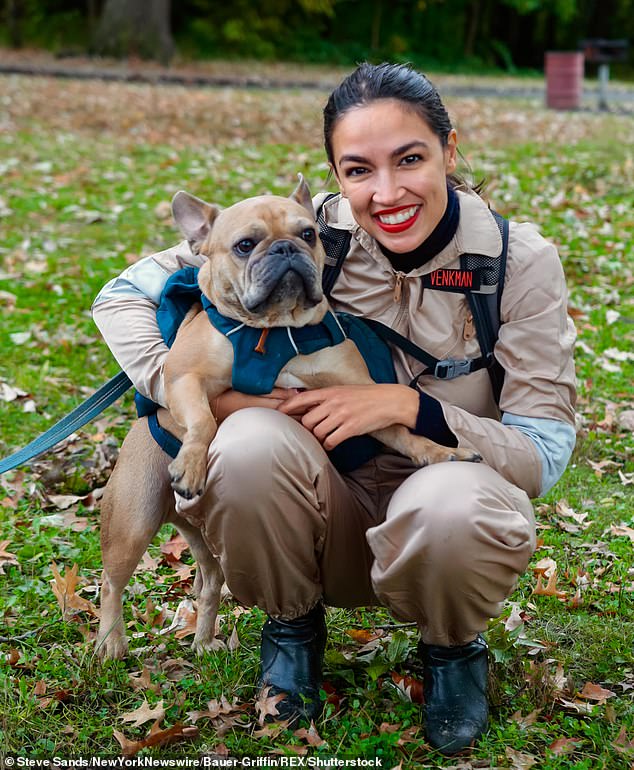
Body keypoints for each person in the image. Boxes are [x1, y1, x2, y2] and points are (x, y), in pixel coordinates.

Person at [92, 62, 576, 755]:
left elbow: (545, 452)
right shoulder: (304, 226)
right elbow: (122, 293)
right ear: (335, 176)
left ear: (450, 150)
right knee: (250, 438)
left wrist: (410, 406)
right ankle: (290, 636)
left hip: (444, 531)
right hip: (320, 512)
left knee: (452, 502)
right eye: (358, 170)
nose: (386, 191)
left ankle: (450, 652)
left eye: (410, 158)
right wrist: (202, 389)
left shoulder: (514, 260)